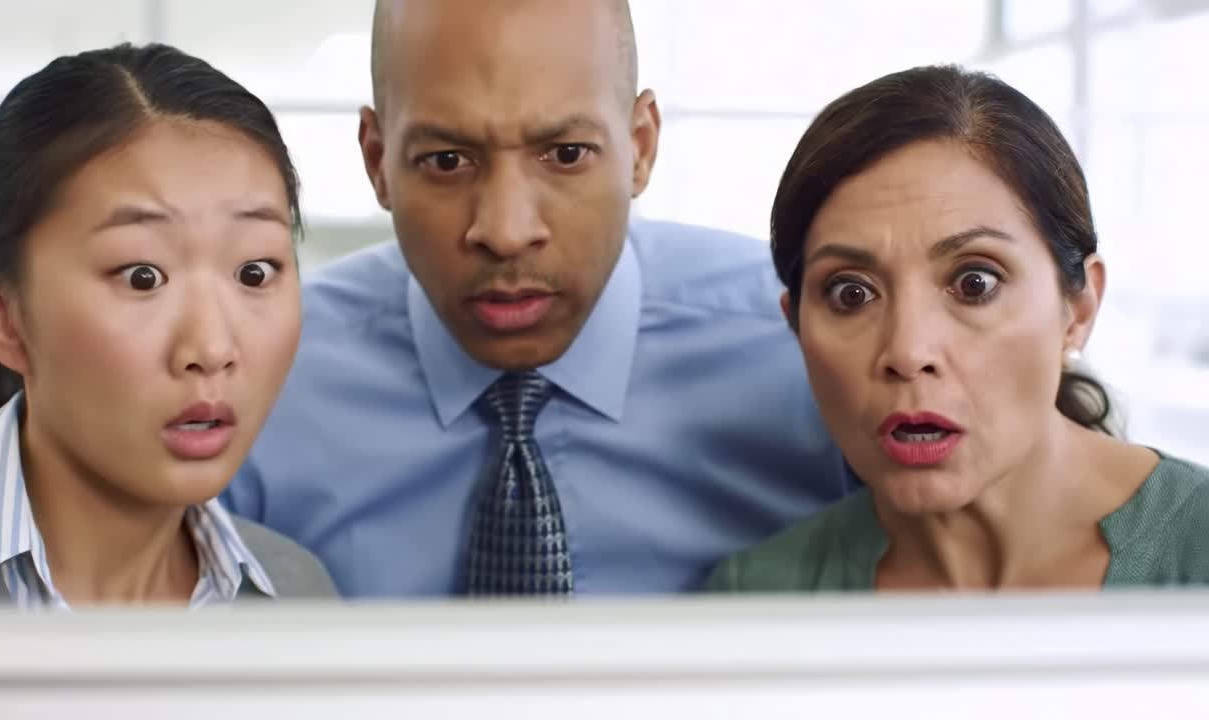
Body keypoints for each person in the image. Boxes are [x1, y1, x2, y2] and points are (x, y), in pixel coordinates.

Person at [223, 0, 852, 597]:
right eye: (446, 160)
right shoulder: (256, 377)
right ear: (378, 160)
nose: (505, 231)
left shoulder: (811, 350)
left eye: (567, 154)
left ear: (640, 146)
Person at [707, 64, 1209, 593]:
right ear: (796, 325)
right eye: (851, 294)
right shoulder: (757, 598)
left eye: (975, 283)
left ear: (1079, 309)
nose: (907, 351)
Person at [0, 43, 337, 606]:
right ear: (2, 314)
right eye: (142, 277)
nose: (211, 348)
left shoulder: (296, 597)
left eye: (254, 272)